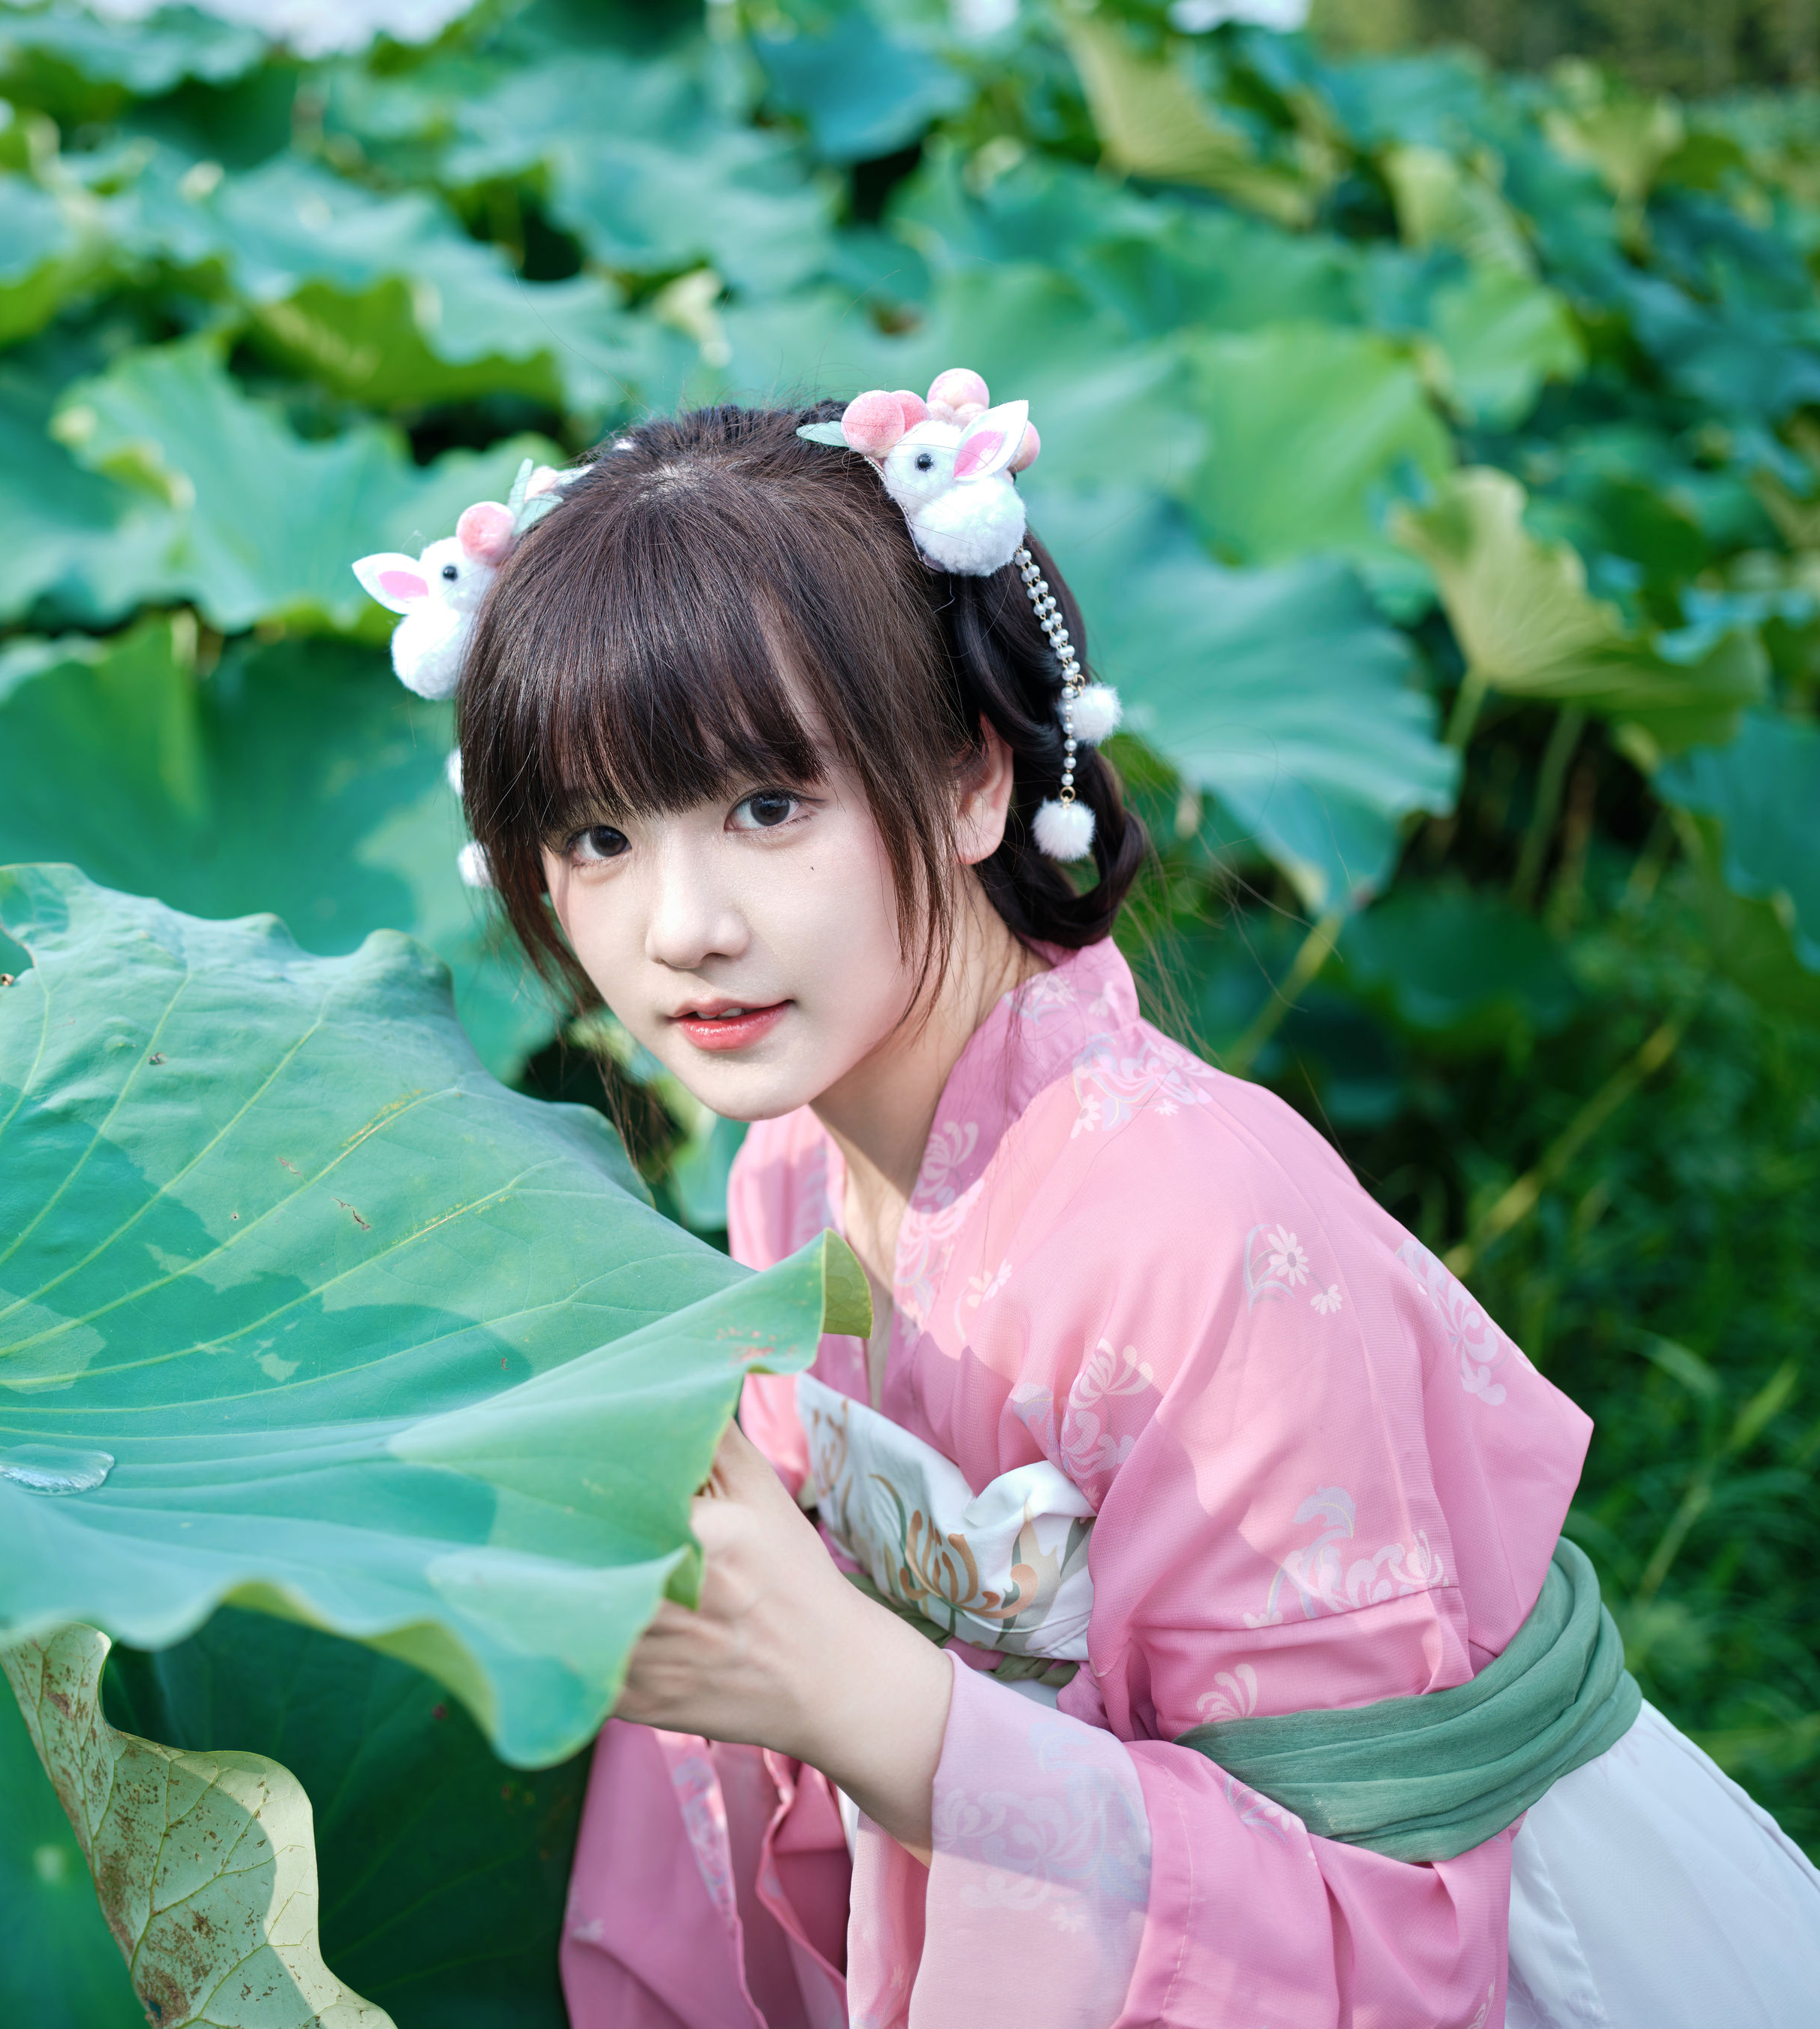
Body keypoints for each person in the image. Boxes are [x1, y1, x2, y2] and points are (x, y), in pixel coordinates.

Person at [433, 389, 1820, 2027]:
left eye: (766, 808)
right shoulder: (791, 1168)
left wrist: (878, 1706)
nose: (681, 927)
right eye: (597, 836)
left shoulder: (1204, 1223)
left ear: (969, 780)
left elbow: (1380, 1925)